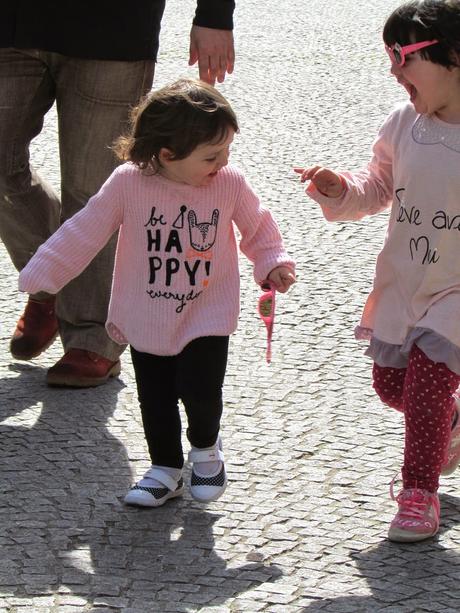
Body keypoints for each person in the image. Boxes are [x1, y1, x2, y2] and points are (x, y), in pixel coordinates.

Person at [18, 78, 296, 506]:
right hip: (146, 312)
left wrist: (272, 262)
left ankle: (206, 451)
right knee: (156, 397)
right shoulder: (128, 183)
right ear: (167, 155)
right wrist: (44, 273)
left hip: (207, 309)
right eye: (211, 155)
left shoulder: (229, 183)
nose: (223, 162)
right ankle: (165, 468)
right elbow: (85, 229)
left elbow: (257, 226)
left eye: (226, 151)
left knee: (202, 390)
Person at [0, 1, 236, 388]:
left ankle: (94, 335)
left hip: (112, 26)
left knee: (94, 189)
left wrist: (214, 15)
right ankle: (54, 286)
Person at [295, 0, 460, 543]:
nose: (394, 68)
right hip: (407, 279)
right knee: (395, 385)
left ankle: (419, 493)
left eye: (404, 55)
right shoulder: (404, 123)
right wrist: (340, 189)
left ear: (454, 55)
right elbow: (377, 186)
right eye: (388, 55)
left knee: (430, 379)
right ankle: (451, 426)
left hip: (456, 292)